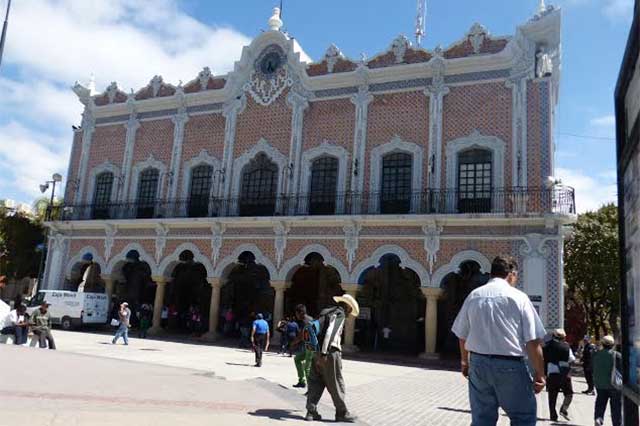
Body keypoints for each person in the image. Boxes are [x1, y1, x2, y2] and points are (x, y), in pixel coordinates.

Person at [451, 255, 546, 426]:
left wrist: (465, 362)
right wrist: (539, 373)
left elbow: (462, 335)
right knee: (522, 417)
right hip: (510, 365)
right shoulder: (519, 297)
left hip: (478, 364)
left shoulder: (474, 296)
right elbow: (533, 341)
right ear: (511, 274)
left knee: (482, 419)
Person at [305, 294, 359, 423]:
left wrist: (317, 354)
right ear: (347, 306)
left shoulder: (325, 312)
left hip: (316, 351)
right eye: (350, 310)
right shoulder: (339, 314)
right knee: (336, 383)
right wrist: (324, 354)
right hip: (330, 353)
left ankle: (311, 412)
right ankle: (342, 413)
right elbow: (330, 332)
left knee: (316, 382)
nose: (350, 313)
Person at [543, 328, 575, 422]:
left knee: (552, 395)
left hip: (551, 373)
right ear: (564, 337)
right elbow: (571, 359)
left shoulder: (547, 346)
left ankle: (553, 415)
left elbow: (543, 359)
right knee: (569, 393)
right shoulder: (566, 346)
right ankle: (564, 409)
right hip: (564, 373)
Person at [592, 335, 622, 426]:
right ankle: (616, 424)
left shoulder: (596, 354)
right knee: (616, 407)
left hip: (600, 383)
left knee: (600, 403)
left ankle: (599, 418)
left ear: (602, 344)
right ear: (612, 344)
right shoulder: (616, 355)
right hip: (614, 384)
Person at [291, 304, 313, 388]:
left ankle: (311, 389)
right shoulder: (309, 319)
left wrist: (293, 343)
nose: (296, 316)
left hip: (311, 347)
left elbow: (301, 336)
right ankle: (301, 381)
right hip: (308, 346)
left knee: (307, 368)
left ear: (301, 313)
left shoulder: (306, 321)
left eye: (296, 314)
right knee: (297, 359)